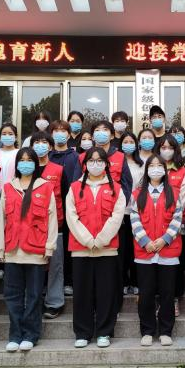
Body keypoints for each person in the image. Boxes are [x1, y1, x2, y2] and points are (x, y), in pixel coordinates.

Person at [0, 148, 58, 352]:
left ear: (35, 164)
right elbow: (1, 220)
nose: (26, 163)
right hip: (13, 250)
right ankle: (15, 334)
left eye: (30, 160)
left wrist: (49, 246)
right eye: (22, 160)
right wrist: (0, 249)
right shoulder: (7, 187)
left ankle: (31, 334)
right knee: (12, 296)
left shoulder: (45, 187)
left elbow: (52, 219)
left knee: (34, 295)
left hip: (36, 251)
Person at [66, 147, 126, 348]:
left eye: (100, 161)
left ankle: (104, 332)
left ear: (106, 164)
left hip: (106, 249)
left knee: (105, 292)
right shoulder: (75, 187)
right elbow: (71, 217)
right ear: (84, 165)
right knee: (82, 292)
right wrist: (87, 240)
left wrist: (100, 240)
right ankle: (82, 333)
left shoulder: (116, 188)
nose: (95, 164)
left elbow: (116, 217)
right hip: (81, 249)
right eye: (91, 161)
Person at [131, 154, 183, 346]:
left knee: (167, 293)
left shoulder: (174, 193)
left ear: (164, 169)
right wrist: (145, 241)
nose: (155, 168)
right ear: (146, 170)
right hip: (144, 252)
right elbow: (134, 219)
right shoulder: (137, 194)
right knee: (146, 293)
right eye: (151, 165)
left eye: (159, 165)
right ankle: (147, 330)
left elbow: (177, 219)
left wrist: (164, 239)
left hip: (168, 251)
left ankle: (166, 331)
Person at [29, 131, 67, 319]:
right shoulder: (26, 168)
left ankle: (54, 303)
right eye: (36, 142)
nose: (40, 145)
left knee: (55, 266)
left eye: (44, 142)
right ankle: (33, 302)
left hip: (55, 225)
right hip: (30, 226)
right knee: (32, 266)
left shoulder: (58, 169)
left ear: (51, 146)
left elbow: (66, 197)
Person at [156, 134, 185, 316]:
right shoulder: (153, 168)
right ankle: (158, 299)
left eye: (170, 147)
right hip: (154, 224)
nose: (166, 151)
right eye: (163, 147)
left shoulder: (183, 171)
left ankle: (175, 298)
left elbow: (183, 198)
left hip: (176, 224)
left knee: (175, 264)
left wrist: (173, 218)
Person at [48, 119, 82, 297]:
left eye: (63, 131)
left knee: (69, 246)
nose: (59, 134)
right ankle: (48, 283)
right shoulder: (47, 156)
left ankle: (68, 281)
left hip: (69, 208)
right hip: (48, 209)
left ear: (69, 135)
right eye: (56, 131)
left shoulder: (75, 157)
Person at [120, 132, 145, 296]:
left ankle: (136, 281)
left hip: (137, 211)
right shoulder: (117, 162)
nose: (128, 144)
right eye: (125, 141)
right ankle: (123, 281)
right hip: (121, 211)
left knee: (137, 247)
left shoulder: (141, 164)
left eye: (131, 141)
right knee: (123, 249)